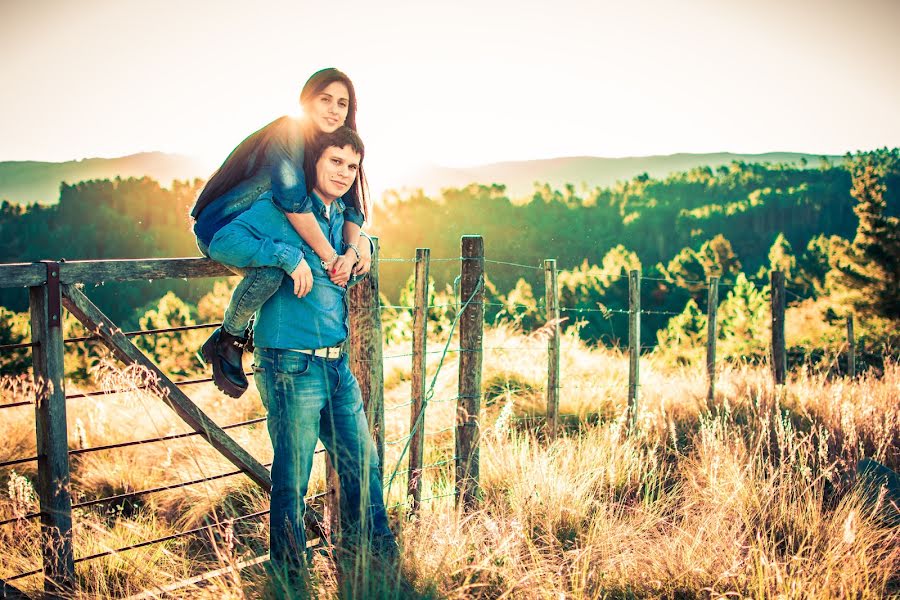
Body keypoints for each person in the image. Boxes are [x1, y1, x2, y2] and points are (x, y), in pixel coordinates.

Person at [207, 126, 396, 570]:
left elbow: (363, 250)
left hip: (337, 363)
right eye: (335, 161)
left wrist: (362, 248)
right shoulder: (282, 209)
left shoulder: (341, 219)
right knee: (293, 480)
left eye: (352, 166)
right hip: (290, 363)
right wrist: (285, 257)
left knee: (362, 464)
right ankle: (290, 575)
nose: (345, 173)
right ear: (312, 162)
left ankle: (374, 560)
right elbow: (221, 242)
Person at [190, 68, 370, 399]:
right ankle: (228, 339)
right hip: (226, 229)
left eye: (342, 104)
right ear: (306, 101)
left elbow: (352, 205)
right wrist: (330, 256)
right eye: (325, 99)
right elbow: (293, 202)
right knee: (273, 272)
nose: (333, 109)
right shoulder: (290, 131)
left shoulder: (331, 146)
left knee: (303, 265)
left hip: (268, 231)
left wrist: (357, 249)